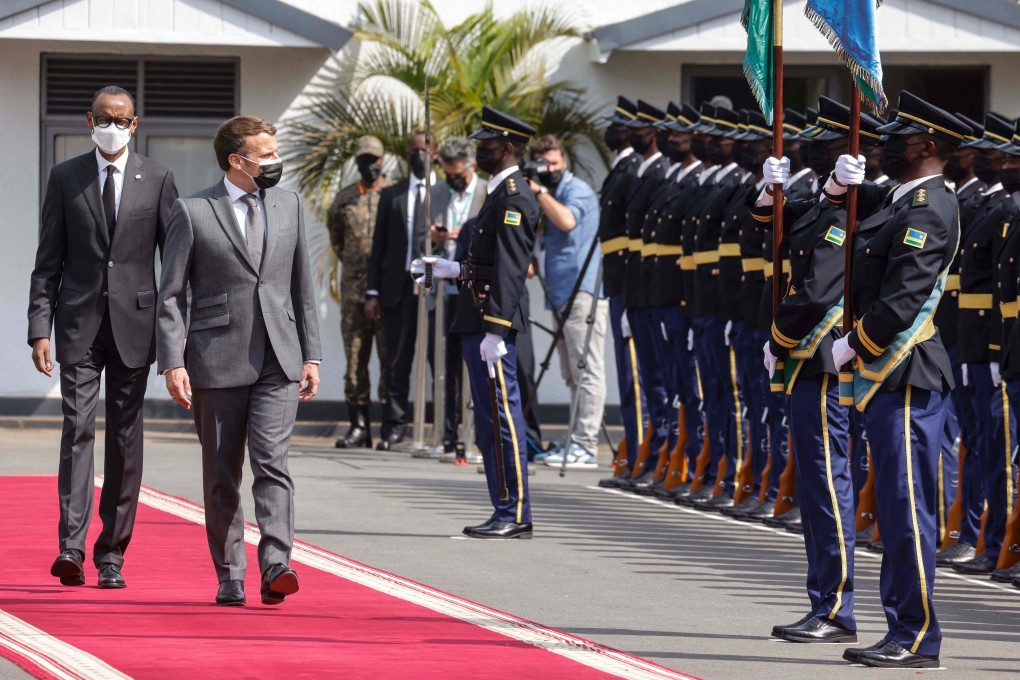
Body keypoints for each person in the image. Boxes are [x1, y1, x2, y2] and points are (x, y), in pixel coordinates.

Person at [828, 92, 972, 668]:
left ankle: (916, 636)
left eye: (899, 137)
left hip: (906, 371)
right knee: (892, 505)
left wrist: (851, 345)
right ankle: (900, 628)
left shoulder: (930, 208)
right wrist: (838, 191)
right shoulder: (901, 200)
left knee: (907, 507)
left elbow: (903, 297)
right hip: (891, 374)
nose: (886, 144)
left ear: (929, 147)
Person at [156, 115, 322, 606]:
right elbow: (171, 296)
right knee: (222, 472)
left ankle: (277, 564)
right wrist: (172, 360)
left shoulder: (288, 204)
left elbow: (302, 287)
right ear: (237, 160)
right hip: (215, 357)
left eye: (275, 152)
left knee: (272, 463)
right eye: (265, 155)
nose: (275, 162)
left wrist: (311, 353)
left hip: (280, 355)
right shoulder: (193, 210)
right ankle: (230, 574)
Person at [27, 85, 178, 589]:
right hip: (78, 324)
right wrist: (38, 329)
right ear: (88, 122)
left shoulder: (157, 178)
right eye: (103, 118)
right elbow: (47, 259)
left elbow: (172, 264)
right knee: (77, 429)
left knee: (125, 438)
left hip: (135, 325)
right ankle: (70, 548)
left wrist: (175, 336)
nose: (112, 126)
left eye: (121, 119)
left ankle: (111, 553)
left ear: (134, 125)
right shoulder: (65, 176)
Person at [412, 106, 539, 539]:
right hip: (478, 317)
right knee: (487, 423)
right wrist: (448, 268)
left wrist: (497, 331)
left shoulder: (516, 198)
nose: (479, 149)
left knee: (502, 419)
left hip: (492, 324)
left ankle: (515, 512)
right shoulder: (498, 193)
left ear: (505, 147)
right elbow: (484, 263)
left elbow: (509, 269)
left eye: (486, 143)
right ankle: (502, 507)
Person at [525, 134, 606, 469]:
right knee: (572, 374)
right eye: (544, 165)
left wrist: (540, 192)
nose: (550, 170)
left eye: (555, 164)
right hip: (559, 294)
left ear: (564, 162)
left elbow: (568, 221)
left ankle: (586, 445)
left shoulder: (577, 191)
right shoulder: (553, 192)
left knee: (587, 371)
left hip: (582, 293)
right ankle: (574, 439)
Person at [365, 132, 442, 450]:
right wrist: (373, 292)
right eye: (414, 151)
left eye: (425, 150)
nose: (419, 155)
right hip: (398, 288)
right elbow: (378, 245)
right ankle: (394, 427)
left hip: (438, 290)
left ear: (435, 154)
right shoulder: (392, 194)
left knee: (439, 363)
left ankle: (443, 428)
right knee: (397, 362)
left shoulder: (448, 191)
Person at [327, 135, 389, 449]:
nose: (369, 166)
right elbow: (336, 240)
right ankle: (359, 427)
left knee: (391, 362)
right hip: (354, 295)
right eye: (363, 160)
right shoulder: (344, 199)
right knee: (354, 363)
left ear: (383, 161)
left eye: (373, 160)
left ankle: (391, 428)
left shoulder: (395, 195)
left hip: (389, 295)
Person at [596, 96, 644, 488]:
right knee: (627, 375)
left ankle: (642, 455)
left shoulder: (634, 169)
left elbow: (633, 239)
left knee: (636, 377)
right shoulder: (622, 166)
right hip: (617, 283)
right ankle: (635, 453)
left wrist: (628, 294)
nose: (612, 131)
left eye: (619, 125)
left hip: (631, 285)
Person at [430, 137, 485, 460]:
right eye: (447, 172)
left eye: (458, 173)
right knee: (445, 368)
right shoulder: (437, 192)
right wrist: (435, 236)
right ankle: (447, 434)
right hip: (443, 293)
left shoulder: (487, 192)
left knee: (474, 365)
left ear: (472, 165)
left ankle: (475, 433)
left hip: (473, 291)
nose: (453, 178)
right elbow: (419, 237)